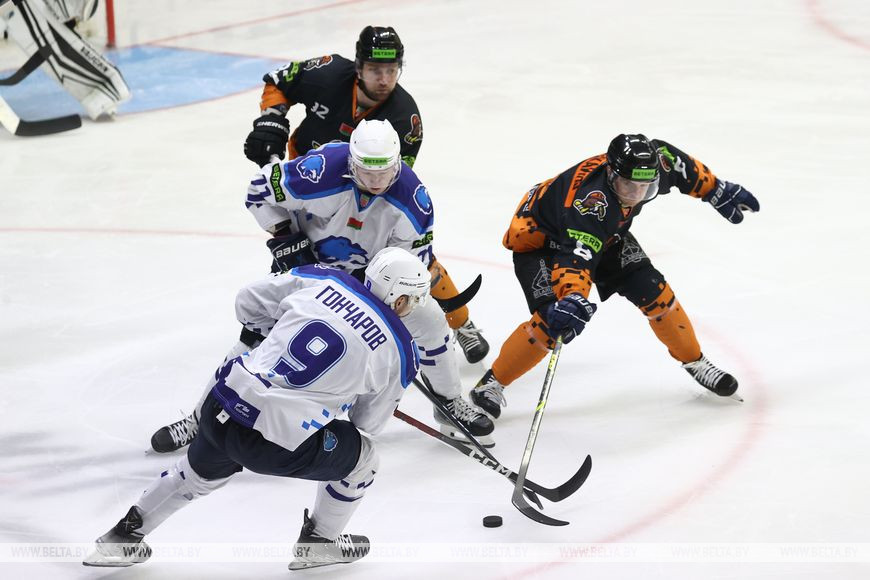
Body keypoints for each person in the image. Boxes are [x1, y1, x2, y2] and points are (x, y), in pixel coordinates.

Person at [151, 120, 493, 454]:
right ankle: (200, 418)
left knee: (431, 323)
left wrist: (384, 299)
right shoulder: (320, 170)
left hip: (372, 284)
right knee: (253, 339)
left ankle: (449, 404)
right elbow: (258, 191)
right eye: (367, 172)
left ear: (398, 164)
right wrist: (286, 239)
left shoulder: (414, 200)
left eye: (384, 173)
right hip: (308, 271)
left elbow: (410, 264)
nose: (376, 182)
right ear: (352, 163)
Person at [85, 248, 430, 570]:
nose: (412, 307)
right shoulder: (401, 350)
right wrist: (345, 392)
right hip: (273, 443)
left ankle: (121, 539)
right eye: (413, 300)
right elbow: (367, 423)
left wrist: (275, 341)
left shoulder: (326, 279)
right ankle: (319, 543)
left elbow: (248, 300)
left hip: (222, 403)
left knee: (193, 476)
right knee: (364, 459)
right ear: (399, 298)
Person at [242, 24, 489, 365]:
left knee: (412, 259)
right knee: (296, 258)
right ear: (358, 67)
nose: (384, 79)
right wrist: (271, 118)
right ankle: (270, 335)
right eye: (375, 70)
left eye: (392, 70)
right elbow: (279, 80)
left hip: (360, 188)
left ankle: (462, 324)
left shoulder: (404, 118)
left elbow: (387, 186)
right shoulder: (328, 73)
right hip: (311, 184)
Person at [470, 134, 760, 419]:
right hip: (541, 242)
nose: (635, 195)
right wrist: (573, 297)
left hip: (606, 235)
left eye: (645, 188)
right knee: (552, 322)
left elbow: (678, 163)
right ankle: (492, 383)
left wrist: (715, 188)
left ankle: (695, 362)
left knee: (656, 293)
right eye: (629, 186)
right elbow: (575, 260)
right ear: (610, 174)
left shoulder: (651, 166)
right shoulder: (589, 204)